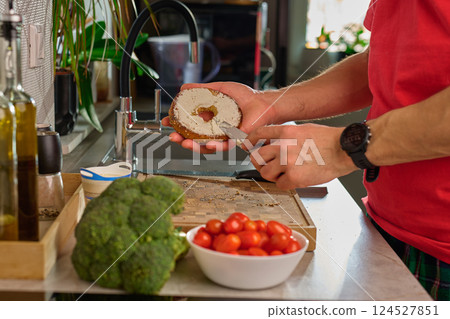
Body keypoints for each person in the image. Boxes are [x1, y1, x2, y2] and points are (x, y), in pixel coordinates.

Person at [162, 0, 450, 300]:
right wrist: (269, 104)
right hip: (386, 226)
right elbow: (386, 60)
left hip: (442, 251)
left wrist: (344, 149)